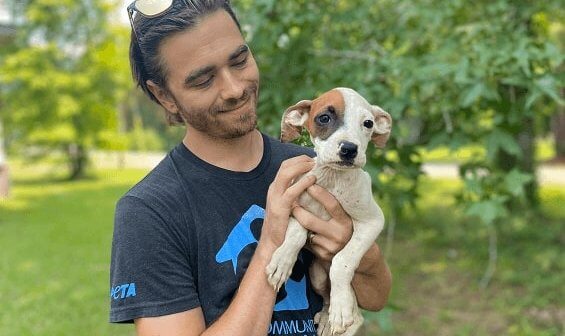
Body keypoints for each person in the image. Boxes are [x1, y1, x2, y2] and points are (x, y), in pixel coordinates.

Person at [109, 0, 392, 335]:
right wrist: (271, 242)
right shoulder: (149, 211)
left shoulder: (314, 166)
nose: (234, 89)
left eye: (239, 59)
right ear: (164, 96)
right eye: (203, 80)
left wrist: (354, 251)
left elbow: (376, 297)